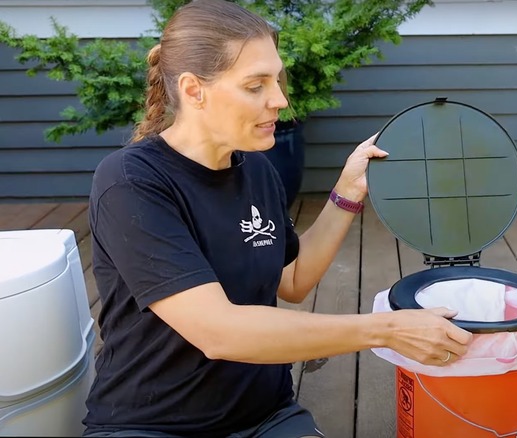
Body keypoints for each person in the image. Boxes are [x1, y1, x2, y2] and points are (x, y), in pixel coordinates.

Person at [82, 1, 472, 437]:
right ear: (194, 90)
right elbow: (218, 331)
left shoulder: (256, 169)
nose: (280, 100)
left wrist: (348, 190)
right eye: (255, 85)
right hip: (151, 424)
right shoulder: (131, 181)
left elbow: (294, 278)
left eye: (277, 79)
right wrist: (387, 330)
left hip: (264, 417)